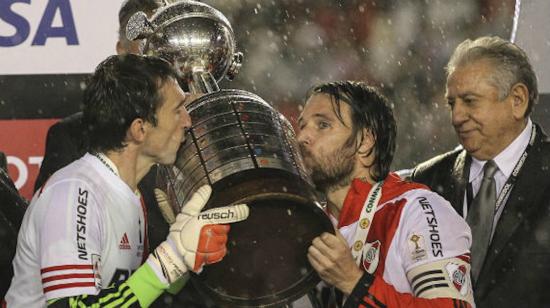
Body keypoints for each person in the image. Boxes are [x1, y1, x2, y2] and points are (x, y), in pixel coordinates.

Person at [6, 54, 249, 307]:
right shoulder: (73, 192)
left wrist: (185, 260)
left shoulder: (128, 194)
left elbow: (129, 299)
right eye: (178, 110)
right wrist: (170, 259)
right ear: (139, 129)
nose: (188, 121)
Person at [297, 81, 474, 307]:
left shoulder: (415, 210)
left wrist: (353, 282)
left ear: (365, 142)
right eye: (301, 126)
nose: (303, 137)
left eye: (322, 125)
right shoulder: (302, 226)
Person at [410, 36, 550, 307]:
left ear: (517, 100)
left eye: (470, 101)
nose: (456, 117)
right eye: (452, 104)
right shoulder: (425, 182)